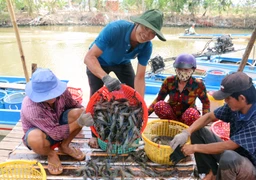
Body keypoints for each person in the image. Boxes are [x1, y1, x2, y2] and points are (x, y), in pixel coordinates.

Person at [84, 9, 166, 148]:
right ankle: (95, 135)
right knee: (96, 98)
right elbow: (89, 58)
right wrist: (105, 78)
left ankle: (130, 131)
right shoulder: (115, 29)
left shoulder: (147, 47)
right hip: (99, 61)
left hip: (122, 63)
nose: (147, 34)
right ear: (137, 23)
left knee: (134, 97)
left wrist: (141, 104)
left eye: (152, 32)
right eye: (145, 28)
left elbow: (139, 77)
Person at [170, 72, 256, 180]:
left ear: (242, 98)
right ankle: (209, 173)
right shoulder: (234, 107)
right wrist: (187, 132)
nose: (225, 101)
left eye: (228, 98)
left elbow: (230, 145)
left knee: (228, 157)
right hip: (235, 154)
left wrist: (194, 148)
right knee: (197, 131)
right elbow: (209, 117)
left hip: (253, 169)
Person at [21, 68, 94, 175]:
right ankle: (51, 154)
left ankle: (65, 145)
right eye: (47, 94)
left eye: (53, 92)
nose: (52, 97)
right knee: (34, 137)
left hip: (58, 125)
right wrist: (79, 122)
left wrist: (86, 113)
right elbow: (55, 133)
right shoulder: (31, 107)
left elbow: (74, 105)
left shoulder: (63, 92)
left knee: (79, 113)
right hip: (43, 135)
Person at [148, 53, 210, 126]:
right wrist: (145, 113)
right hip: (171, 116)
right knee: (159, 105)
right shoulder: (169, 81)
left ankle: (185, 128)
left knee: (192, 113)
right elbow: (159, 99)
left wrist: (204, 122)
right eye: (179, 69)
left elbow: (206, 102)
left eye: (186, 69)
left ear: (193, 69)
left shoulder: (198, 84)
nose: (182, 72)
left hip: (188, 117)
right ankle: (172, 126)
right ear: (175, 69)